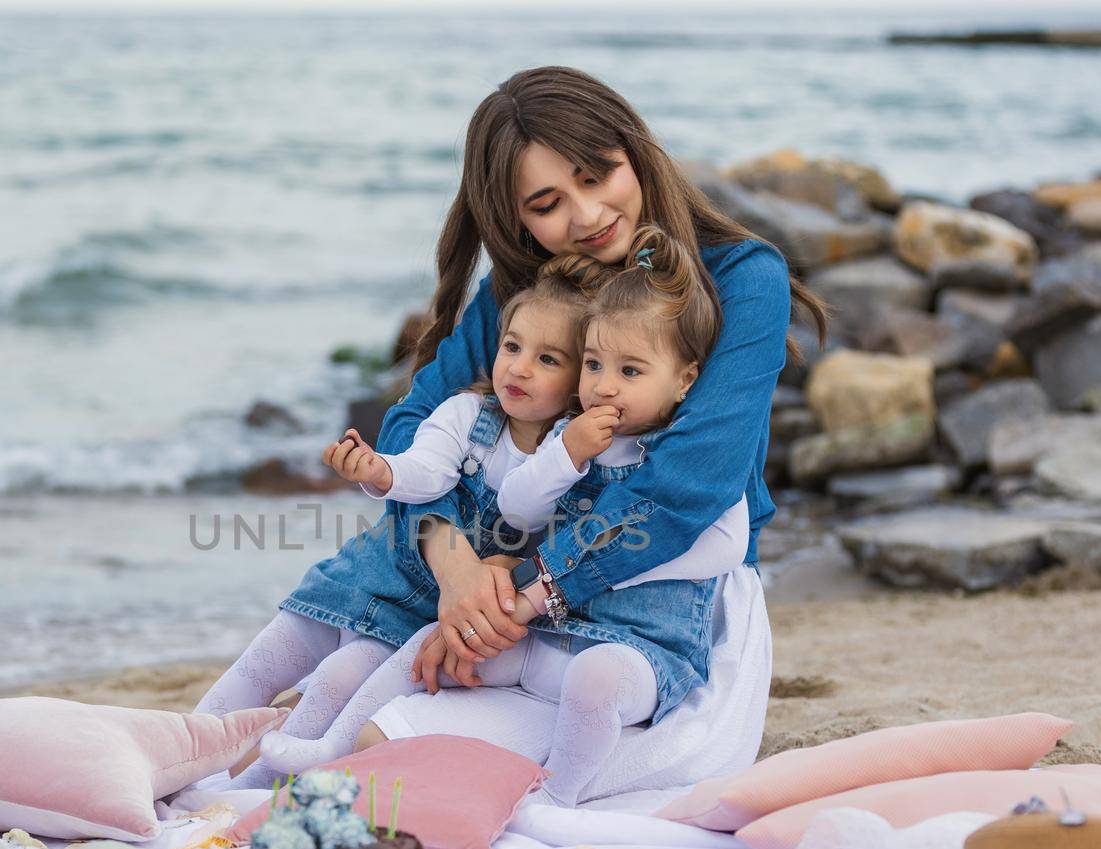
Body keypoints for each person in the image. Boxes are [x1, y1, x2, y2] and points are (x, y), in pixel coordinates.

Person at [375, 65, 823, 704]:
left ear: (635, 155)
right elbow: (410, 427)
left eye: (597, 176)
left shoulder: (742, 281)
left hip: (660, 595)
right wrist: (457, 571)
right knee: (341, 687)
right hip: (495, 587)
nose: (588, 215)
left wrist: (520, 586)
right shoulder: (522, 300)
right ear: (514, 219)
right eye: (546, 204)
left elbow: (685, 488)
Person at [261, 226, 751, 805]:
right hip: (550, 634)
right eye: (593, 366)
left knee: (594, 683)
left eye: (631, 372)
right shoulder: (570, 439)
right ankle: (332, 744)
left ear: (685, 379)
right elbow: (518, 506)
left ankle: (560, 797)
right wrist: (566, 457)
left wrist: (543, 583)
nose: (604, 388)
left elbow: (719, 547)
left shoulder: (681, 454)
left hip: (637, 644)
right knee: (434, 640)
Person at [193, 256, 603, 788]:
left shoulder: (577, 450)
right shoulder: (464, 414)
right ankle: (174, 756)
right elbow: (424, 470)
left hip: (415, 614)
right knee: (265, 661)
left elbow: (565, 535)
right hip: (374, 572)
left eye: (547, 359)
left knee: (337, 684)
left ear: (578, 381)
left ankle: (247, 796)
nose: (519, 367)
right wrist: (380, 471)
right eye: (512, 347)